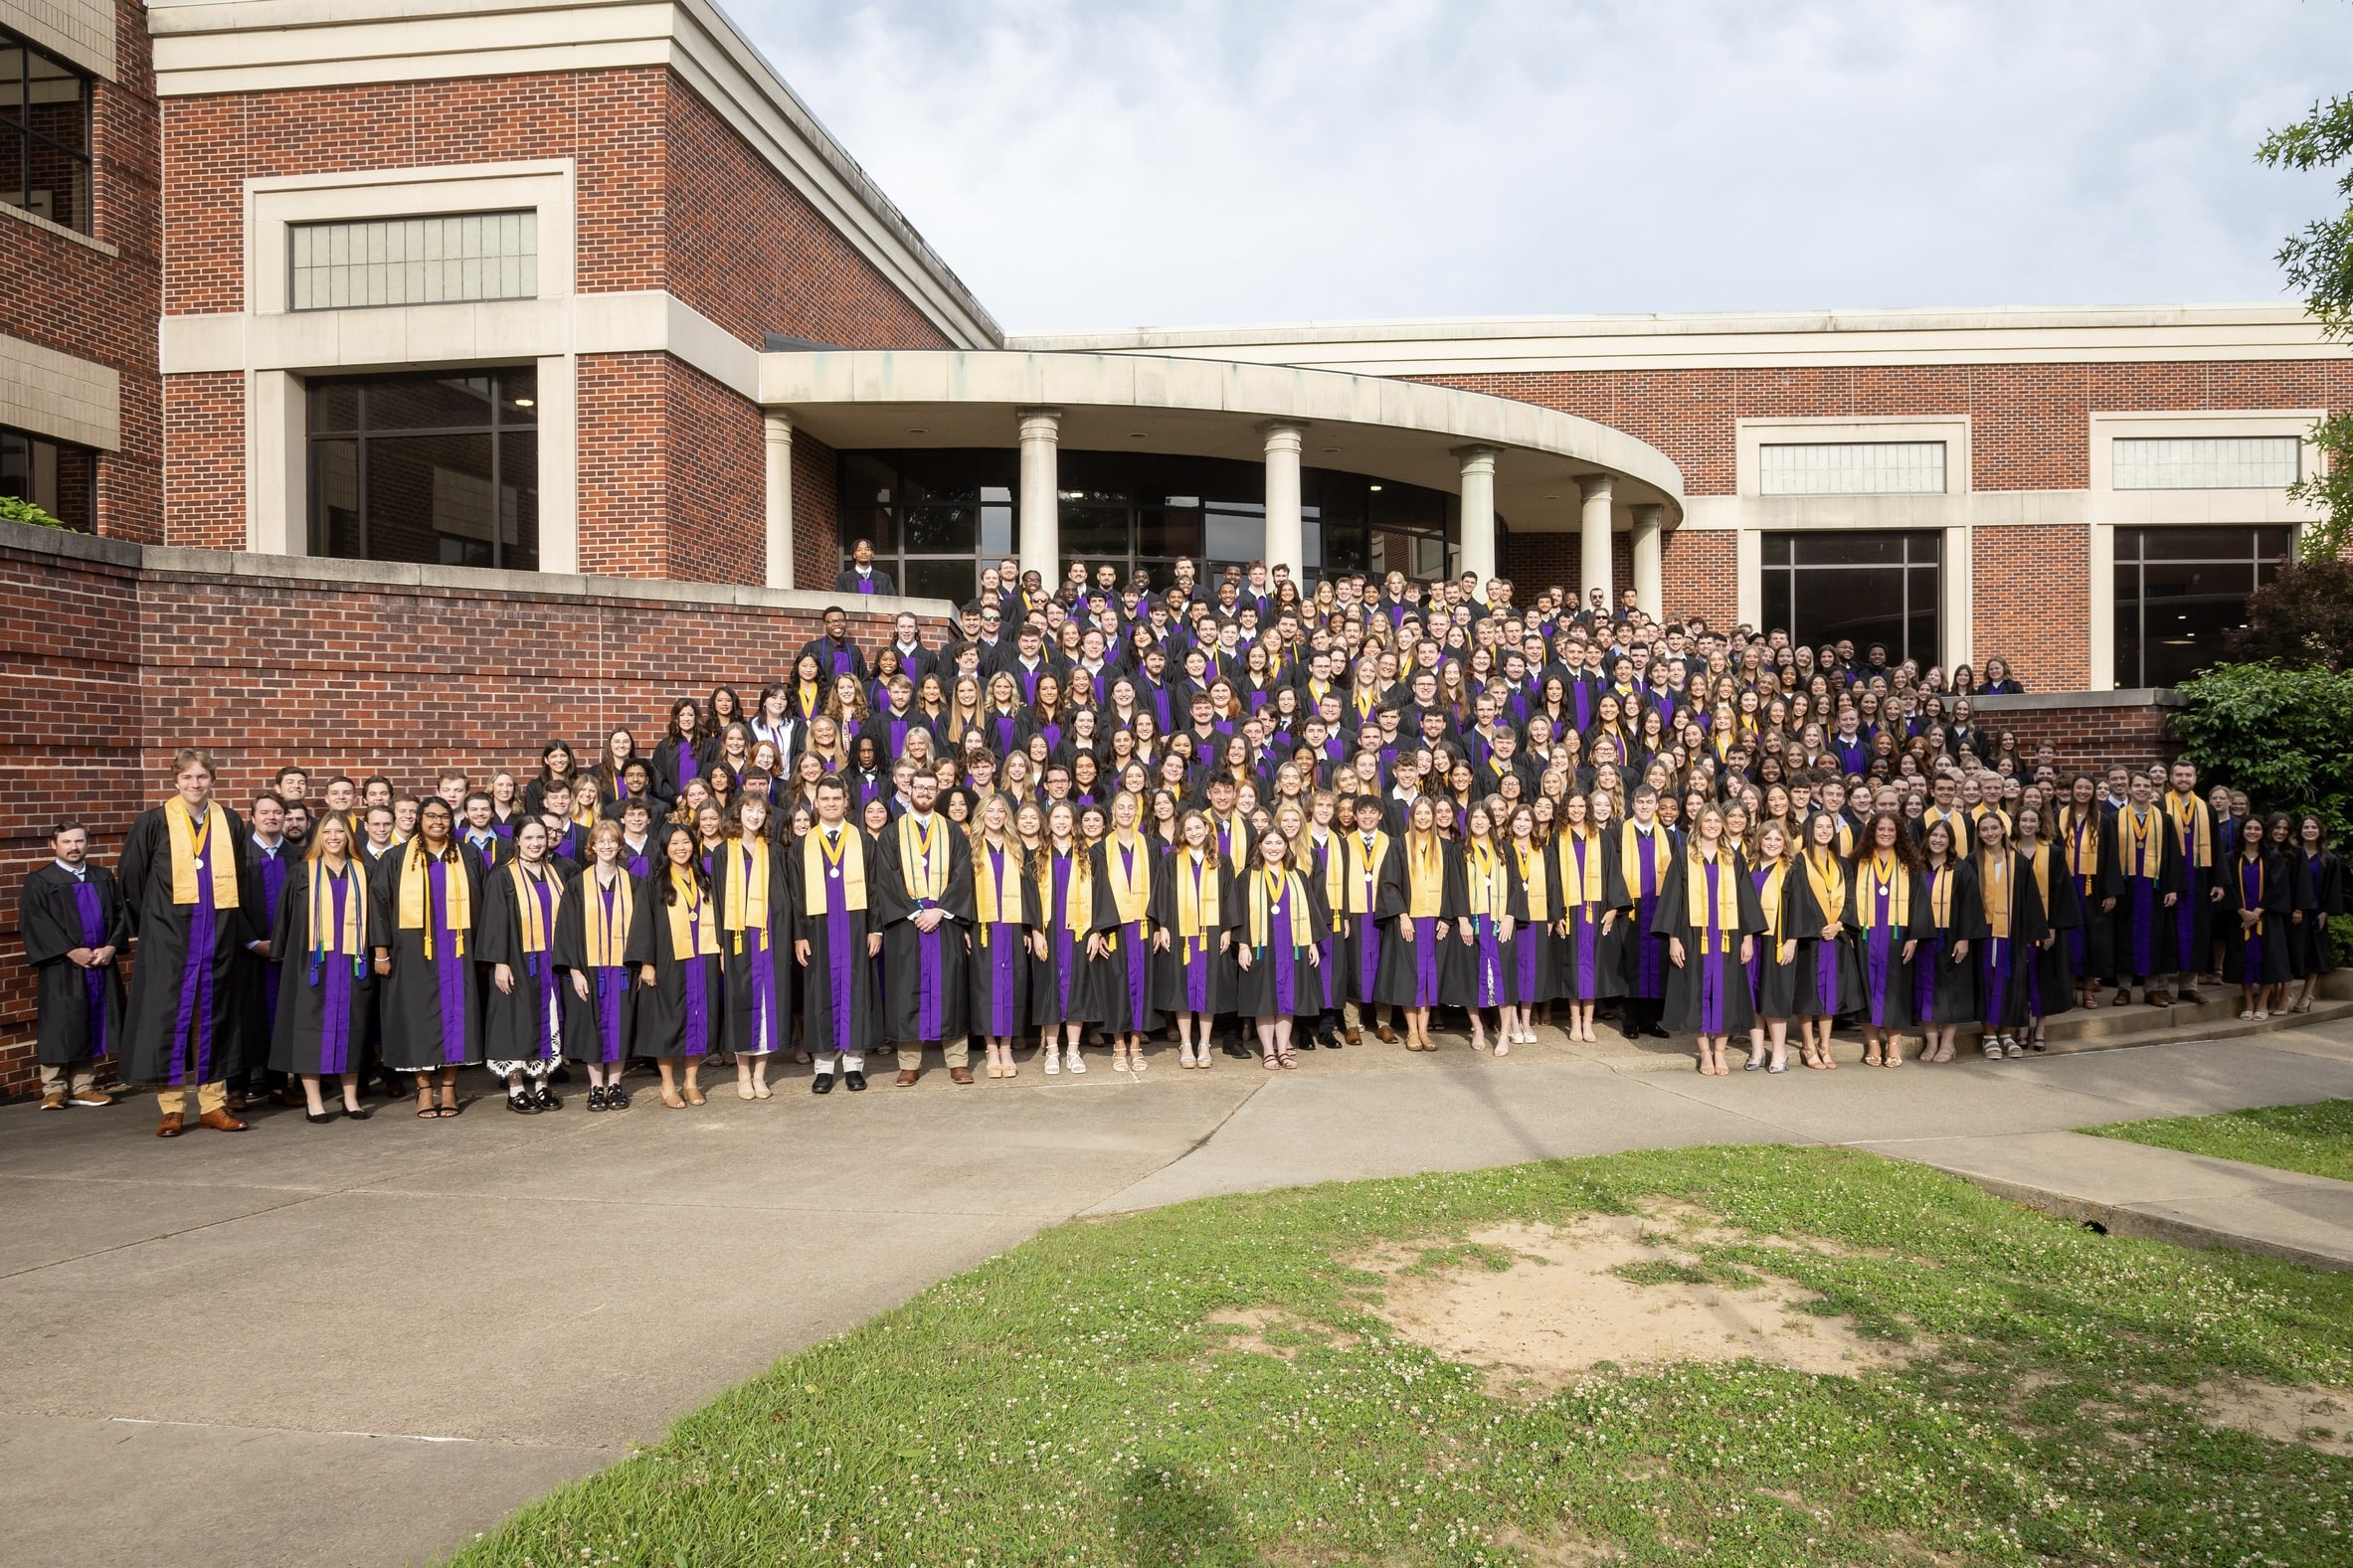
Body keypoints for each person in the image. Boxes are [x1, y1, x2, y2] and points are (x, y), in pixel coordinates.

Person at [118, 750, 256, 1135]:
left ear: (213, 780)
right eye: (188, 778)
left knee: (214, 1016)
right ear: (175, 781)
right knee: (169, 1018)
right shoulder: (153, 821)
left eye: (202, 777)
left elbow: (242, 876)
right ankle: (172, 1108)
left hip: (218, 936)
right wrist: (156, 923)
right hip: (169, 939)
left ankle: (214, 1104)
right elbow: (131, 877)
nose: (195, 785)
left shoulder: (228, 820)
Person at [373, 795, 483, 1120]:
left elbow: (484, 902)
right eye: (431, 816)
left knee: (456, 1017)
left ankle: (449, 1087)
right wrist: (381, 952)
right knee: (418, 1019)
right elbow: (378, 905)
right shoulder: (396, 858)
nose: (438, 821)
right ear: (419, 820)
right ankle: (423, 1089)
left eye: (445, 816)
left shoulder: (469, 855)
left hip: (458, 951)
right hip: (411, 954)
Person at [267, 811, 376, 1122]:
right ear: (318, 837)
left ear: (349, 837)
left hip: (353, 963)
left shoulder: (364, 871)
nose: (333, 837)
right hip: (312, 964)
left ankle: (351, 1099)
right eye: (326, 832)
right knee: (309, 1029)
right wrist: (281, 953)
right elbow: (286, 919)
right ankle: (314, 1101)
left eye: (339, 832)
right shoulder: (303, 872)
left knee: (352, 1027)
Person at [876, 772, 976, 1086]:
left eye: (930, 788)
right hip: (907, 925)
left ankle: (957, 1062)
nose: (924, 792)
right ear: (909, 789)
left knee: (951, 988)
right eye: (919, 787)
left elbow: (963, 876)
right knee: (907, 991)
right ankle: (909, 1063)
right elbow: (886, 877)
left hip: (943, 920)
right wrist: (913, 912)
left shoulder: (952, 832)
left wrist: (939, 911)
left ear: (937, 792)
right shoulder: (892, 833)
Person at [19, 820, 126, 1109]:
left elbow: (120, 915)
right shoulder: (41, 881)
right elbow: (36, 924)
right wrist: (69, 951)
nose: (74, 847)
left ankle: (83, 1086)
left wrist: (111, 947)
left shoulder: (102, 876)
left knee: (88, 1019)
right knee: (60, 1024)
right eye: (66, 842)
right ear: (54, 845)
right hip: (61, 967)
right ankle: (53, 1089)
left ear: (87, 844)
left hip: (99, 963)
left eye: (79, 841)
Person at [1654, 802, 1764, 1076]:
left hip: (1728, 935)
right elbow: (1672, 900)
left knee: (1725, 993)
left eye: (1717, 820)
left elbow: (1746, 900)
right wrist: (1673, 939)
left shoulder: (1733, 857)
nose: (1713, 825)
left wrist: (1748, 938)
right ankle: (1705, 1053)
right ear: (1699, 824)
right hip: (1694, 936)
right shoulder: (1684, 856)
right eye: (1708, 820)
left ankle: (1720, 1053)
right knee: (1696, 992)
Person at [789, 777, 883, 1093]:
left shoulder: (863, 840)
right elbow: (795, 895)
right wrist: (799, 935)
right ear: (816, 803)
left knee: (856, 993)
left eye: (836, 798)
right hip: (818, 933)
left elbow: (875, 887)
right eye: (825, 799)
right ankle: (824, 1067)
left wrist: (876, 928)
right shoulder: (802, 845)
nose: (831, 803)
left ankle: (854, 1066)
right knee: (820, 996)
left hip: (856, 929)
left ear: (846, 802)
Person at [479, 817, 570, 1114]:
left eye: (541, 838)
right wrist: (500, 963)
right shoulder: (502, 877)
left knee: (549, 1019)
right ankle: (516, 1089)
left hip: (550, 962)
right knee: (513, 1020)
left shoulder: (558, 873)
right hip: (516, 960)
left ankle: (542, 1085)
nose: (535, 844)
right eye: (529, 838)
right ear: (517, 840)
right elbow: (494, 922)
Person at [553, 819, 637, 1109]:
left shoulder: (633, 882)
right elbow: (566, 929)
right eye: (600, 841)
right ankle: (595, 1087)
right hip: (588, 968)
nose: (606, 846)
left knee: (620, 1026)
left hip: (623, 969)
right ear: (592, 846)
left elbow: (641, 929)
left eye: (612, 840)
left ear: (619, 845)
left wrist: (640, 964)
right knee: (592, 1027)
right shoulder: (577, 884)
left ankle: (615, 1085)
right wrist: (574, 970)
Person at [713, 793, 790, 1099]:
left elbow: (783, 896)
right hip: (737, 939)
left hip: (769, 937)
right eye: (749, 810)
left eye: (760, 811)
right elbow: (719, 900)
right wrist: (720, 943)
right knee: (741, 1002)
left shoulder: (773, 851)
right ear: (738, 812)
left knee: (768, 1004)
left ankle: (760, 1075)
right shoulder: (723, 853)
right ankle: (742, 1075)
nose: (755, 816)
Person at [1376, 794, 1463, 1051]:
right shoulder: (1399, 845)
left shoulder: (1446, 847)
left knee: (1428, 978)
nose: (1424, 817)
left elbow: (1453, 886)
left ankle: (1425, 1031)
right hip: (1409, 922)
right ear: (1411, 817)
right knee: (1409, 977)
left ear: (1435, 817)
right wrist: (1402, 915)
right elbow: (1389, 884)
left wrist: (1447, 918)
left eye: (1428, 813)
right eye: (1419, 814)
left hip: (1435, 923)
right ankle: (1412, 1031)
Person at [1233, 826, 1324, 1069]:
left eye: (1278, 843)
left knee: (1287, 998)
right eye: (1268, 843)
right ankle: (1267, 1051)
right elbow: (1239, 912)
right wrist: (1242, 945)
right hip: (1261, 946)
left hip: (1292, 945)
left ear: (1286, 847)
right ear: (1259, 847)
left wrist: (1312, 943)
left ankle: (1283, 1050)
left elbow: (1310, 912)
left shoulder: (1298, 876)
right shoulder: (1247, 877)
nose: (1273, 848)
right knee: (1264, 998)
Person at [1846, 811, 1928, 1068]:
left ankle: (1893, 1043)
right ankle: (1872, 1043)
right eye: (1880, 829)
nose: (1885, 834)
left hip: (1896, 937)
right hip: (1865, 936)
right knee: (1867, 988)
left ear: (1899, 833)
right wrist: (1848, 931)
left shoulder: (1909, 864)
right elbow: (1847, 899)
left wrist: (1913, 938)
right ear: (1872, 832)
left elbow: (1918, 903)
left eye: (1891, 830)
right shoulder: (1856, 862)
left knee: (1896, 990)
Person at [1152, 808, 1232, 1068]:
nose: (1194, 833)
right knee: (1181, 987)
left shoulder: (1222, 861)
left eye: (1198, 828)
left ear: (1208, 829)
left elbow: (1230, 898)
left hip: (1212, 932)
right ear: (1182, 834)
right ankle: (1186, 1042)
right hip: (1180, 932)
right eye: (1189, 829)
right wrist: (1163, 926)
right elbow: (1162, 894)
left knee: (1208, 987)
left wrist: (1229, 929)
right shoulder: (1172, 861)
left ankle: (1205, 1042)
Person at [1092, 789, 1160, 1072]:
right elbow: (1096, 892)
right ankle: (1119, 1045)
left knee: (1142, 986)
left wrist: (1159, 925)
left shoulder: (1151, 846)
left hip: (1144, 928)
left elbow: (1159, 889)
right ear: (1113, 812)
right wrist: (1098, 930)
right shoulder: (1099, 849)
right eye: (1120, 807)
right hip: (1115, 929)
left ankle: (1136, 1045)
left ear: (1138, 811)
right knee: (1117, 986)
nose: (1126, 811)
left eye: (1131, 807)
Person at [1971, 810, 2047, 1060]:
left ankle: (2006, 1033)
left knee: (2011, 982)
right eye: (1984, 829)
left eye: (1994, 828)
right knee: (1987, 982)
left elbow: (2031, 900)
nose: (1990, 833)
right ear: (1978, 833)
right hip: (1982, 934)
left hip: (2012, 935)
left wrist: (2033, 933)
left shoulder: (2019, 862)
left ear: (2003, 830)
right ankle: (1989, 1035)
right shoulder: (1972, 861)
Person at [1031, 799, 1100, 1074]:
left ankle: (1072, 1050)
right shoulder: (1038, 855)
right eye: (1056, 817)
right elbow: (1029, 898)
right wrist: (1035, 930)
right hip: (1048, 931)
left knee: (1075, 988)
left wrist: (1096, 931)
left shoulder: (1088, 856)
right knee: (1050, 987)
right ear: (1049, 822)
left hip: (1078, 932)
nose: (1061, 822)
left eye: (1066, 817)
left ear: (1074, 822)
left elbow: (1100, 896)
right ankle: (1051, 1051)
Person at [968, 793, 1031, 1078]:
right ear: (981, 815)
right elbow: (962, 891)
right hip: (983, 927)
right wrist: (963, 928)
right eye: (990, 811)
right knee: (985, 987)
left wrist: (1028, 928)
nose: (995, 815)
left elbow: (1029, 892)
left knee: (1011, 985)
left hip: (1012, 925)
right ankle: (991, 1048)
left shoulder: (1017, 848)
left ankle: (1006, 1047)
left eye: (1001, 811)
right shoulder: (969, 847)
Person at [1610, 784, 1679, 1039]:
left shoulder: (1667, 836)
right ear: (1633, 804)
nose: (1645, 807)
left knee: (1657, 965)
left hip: (1659, 908)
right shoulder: (1620, 833)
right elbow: (1614, 873)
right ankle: (1629, 1021)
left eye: (1650, 802)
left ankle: (1650, 1021)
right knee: (1632, 964)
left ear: (1656, 805)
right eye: (1640, 802)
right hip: (1631, 909)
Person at [1910, 817, 1980, 1065]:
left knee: (1951, 991)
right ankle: (1931, 1042)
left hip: (1951, 938)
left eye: (1943, 836)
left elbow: (1971, 905)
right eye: (1934, 835)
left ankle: (1948, 1044)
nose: (1938, 840)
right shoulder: (1917, 867)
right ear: (1927, 838)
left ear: (1950, 841)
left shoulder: (1961, 868)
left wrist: (1964, 938)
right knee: (1925, 990)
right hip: (1923, 938)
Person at [2109, 773, 2182, 1007]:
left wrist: (2172, 888)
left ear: (2152, 790)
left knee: (2155, 937)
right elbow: (2107, 858)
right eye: (2137, 785)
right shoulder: (2113, 818)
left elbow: (2172, 856)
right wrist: (2111, 889)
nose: (2141, 789)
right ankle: (2124, 989)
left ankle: (2152, 990)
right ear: (2129, 789)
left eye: (2146, 786)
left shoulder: (2164, 819)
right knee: (2124, 937)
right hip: (2126, 887)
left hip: (2155, 888)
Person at [1792, 810, 1854, 1070]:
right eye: (1819, 826)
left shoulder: (1842, 863)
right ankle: (1807, 1044)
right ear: (1810, 829)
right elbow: (1797, 899)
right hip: (1810, 938)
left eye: (1829, 826)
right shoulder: (1798, 862)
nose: (1825, 830)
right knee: (1808, 994)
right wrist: (1817, 926)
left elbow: (1851, 899)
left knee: (1830, 993)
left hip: (1835, 937)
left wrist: (1839, 924)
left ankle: (1825, 1045)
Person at [1337, 794, 1395, 1045]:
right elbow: (1339, 882)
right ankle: (1351, 1024)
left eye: (1373, 812)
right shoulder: (1344, 843)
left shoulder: (1391, 843)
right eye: (1363, 812)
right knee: (1354, 967)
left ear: (1380, 815)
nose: (1367, 817)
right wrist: (1345, 915)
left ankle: (1384, 1023)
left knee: (1384, 966)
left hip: (1383, 914)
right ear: (1355, 815)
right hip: (1357, 913)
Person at [1743, 820, 1802, 1073]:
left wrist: (1792, 941)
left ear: (1785, 843)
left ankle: (1779, 1052)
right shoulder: (1747, 866)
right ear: (1759, 840)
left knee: (1774, 995)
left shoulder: (1791, 868)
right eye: (1768, 839)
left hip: (1778, 940)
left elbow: (1799, 907)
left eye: (1778, 840)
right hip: (1751, 940)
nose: (1772, 844)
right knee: (1752, 994)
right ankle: (1757, 1050)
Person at [2222, 817, 2294, 1020]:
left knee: (2268, 960)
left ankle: (2262, 1003)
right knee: (2244, 959)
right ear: (2242, 831)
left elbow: (2278, 887)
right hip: (2240, 919)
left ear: (2263, 832)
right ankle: (2249, 1003)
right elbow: (2228, 886)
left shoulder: (2273, 857)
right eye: (2248, 828)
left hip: (2267, 919)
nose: (2252, 832)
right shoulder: (2230, 858)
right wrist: (2241, 911)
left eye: (2257, 828)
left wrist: (2258, 912)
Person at [2289, 814, 2342, 1015]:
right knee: (2291, 952)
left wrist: (2325, 912)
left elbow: (2333, 889)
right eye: (2306, 827)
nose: (2310, 830)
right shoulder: (2293, 854)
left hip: (2316, 913)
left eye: (2313, 827)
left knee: (2314, 954)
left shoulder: (2329, 859)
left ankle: (2306, 994)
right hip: (2294, 912)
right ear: (2300, 830)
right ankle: (2284, 995)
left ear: (2319, 831)